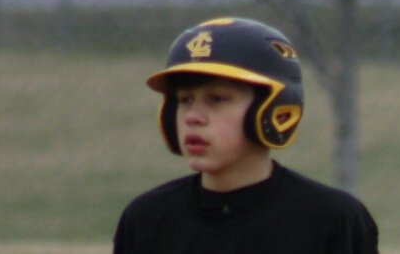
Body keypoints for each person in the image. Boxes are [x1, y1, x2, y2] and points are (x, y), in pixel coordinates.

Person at [114, 17, 378, 253]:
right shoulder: (147, 219)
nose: (192, 116)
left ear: (273, 108)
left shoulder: (331, 220)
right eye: (184, 100)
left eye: (217, 99)